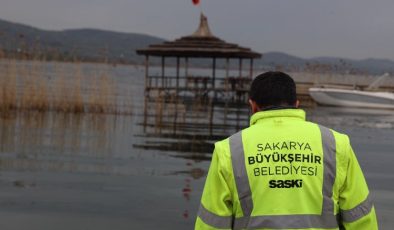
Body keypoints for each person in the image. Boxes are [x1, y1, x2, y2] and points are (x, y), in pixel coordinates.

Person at [195, 71, 378, 230]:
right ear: (297, 104)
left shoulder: (229, 150)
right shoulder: (337, 145)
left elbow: (211, 225)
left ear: (252, 106)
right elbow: (361, 220)